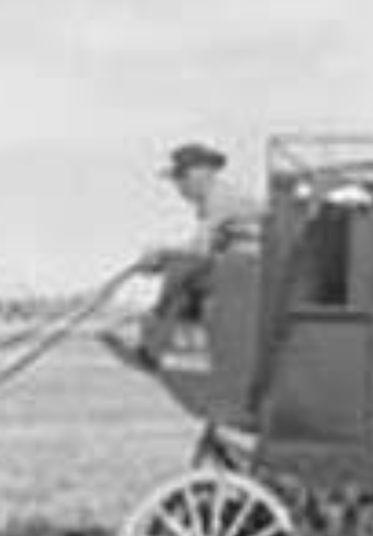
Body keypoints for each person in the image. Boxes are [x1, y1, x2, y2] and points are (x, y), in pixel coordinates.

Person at [100, 143, 264, 368]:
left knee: (182, 268)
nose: (179, 188)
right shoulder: (215, 199)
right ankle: (174, 332)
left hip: (250, 264)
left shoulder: (220, 199)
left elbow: (200, 250)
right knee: (184, 269)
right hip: (243, 263)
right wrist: (161, 260)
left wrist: (163, 253)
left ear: (197, 176)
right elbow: (208, 246)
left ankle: (156, 336)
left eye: (181, 179)